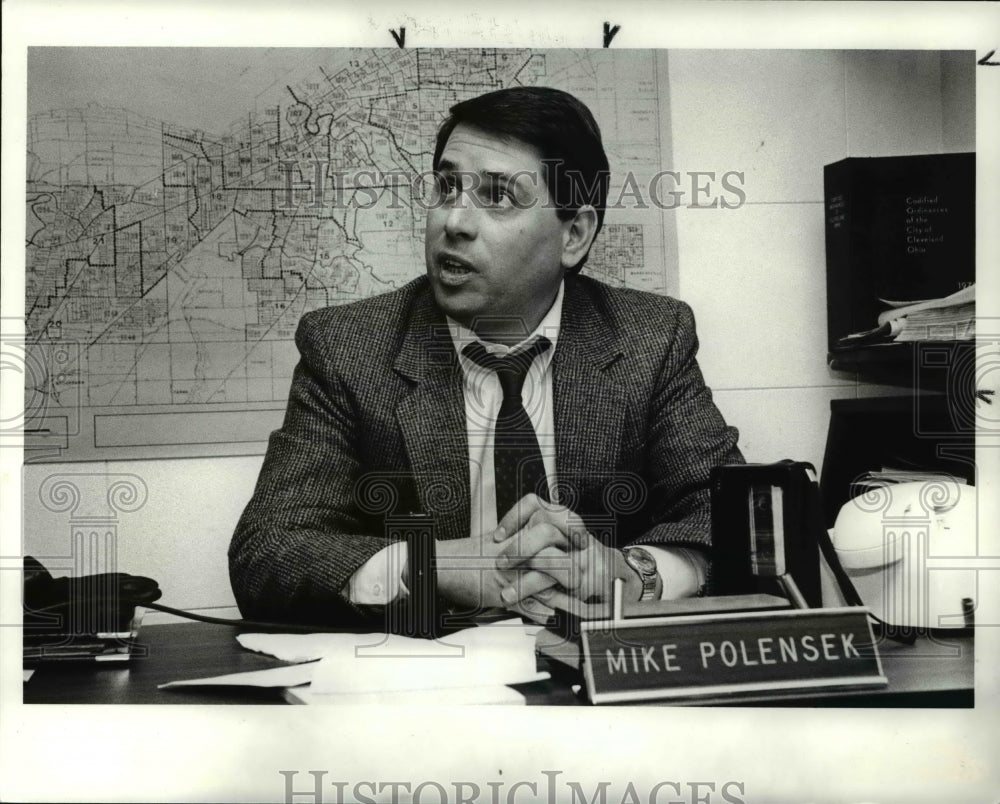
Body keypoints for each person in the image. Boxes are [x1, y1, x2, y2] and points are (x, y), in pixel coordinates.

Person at [229, 86, 743, 628]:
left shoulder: (650, 339)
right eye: (447, 187)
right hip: (433, 685)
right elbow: (268, 551)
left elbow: (733, 516)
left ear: (574, 234)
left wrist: (634, 574)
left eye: (498, 196)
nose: (454, 222)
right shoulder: (349, 347)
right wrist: (426, 567)